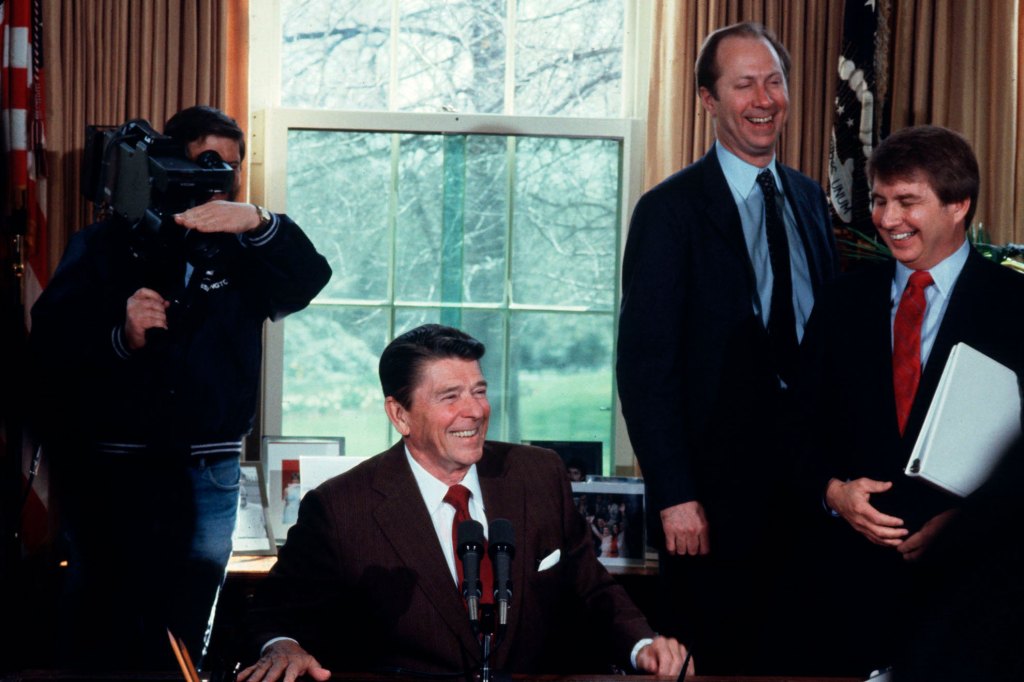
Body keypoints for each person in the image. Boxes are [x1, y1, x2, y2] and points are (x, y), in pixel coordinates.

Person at [28, 105, 331, 669]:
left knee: (187, 625)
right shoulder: (102, 246)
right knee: (102, 621)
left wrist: (260, 223)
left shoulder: (246, 251)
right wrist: (120, 336)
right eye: (204, 162)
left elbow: (309, 279)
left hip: (208, 472)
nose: (216, 179)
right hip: (115, 470)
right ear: (167, 163)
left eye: (230, 168)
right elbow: (48, 350)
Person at [240, 324, 692, 682]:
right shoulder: (341, 508)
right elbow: (277, 613)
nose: (474, 411)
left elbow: (590, 589)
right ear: (399, 414)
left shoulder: (538, 474)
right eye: (449, 396)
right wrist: (283, 645)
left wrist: (642, 645)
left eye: (478, 390)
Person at [615, 21, 837, 674]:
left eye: (774, 81)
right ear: (709, 101)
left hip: (806, 500)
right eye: (744, 84)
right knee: (714, 662)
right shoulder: (669, 211)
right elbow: (644, 367)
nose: (764, 98)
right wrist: (675, 494)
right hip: (708, 505)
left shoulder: (809, 200)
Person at [793, 125, 1024, 676]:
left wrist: (965, 521)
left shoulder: (1015, 306)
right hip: (848, 598)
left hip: (975, 604)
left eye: (906, 201)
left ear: (958, 205)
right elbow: (793, 430)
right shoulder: (842, 303)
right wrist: (833, 493)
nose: (887, 219)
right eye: (878, 200)